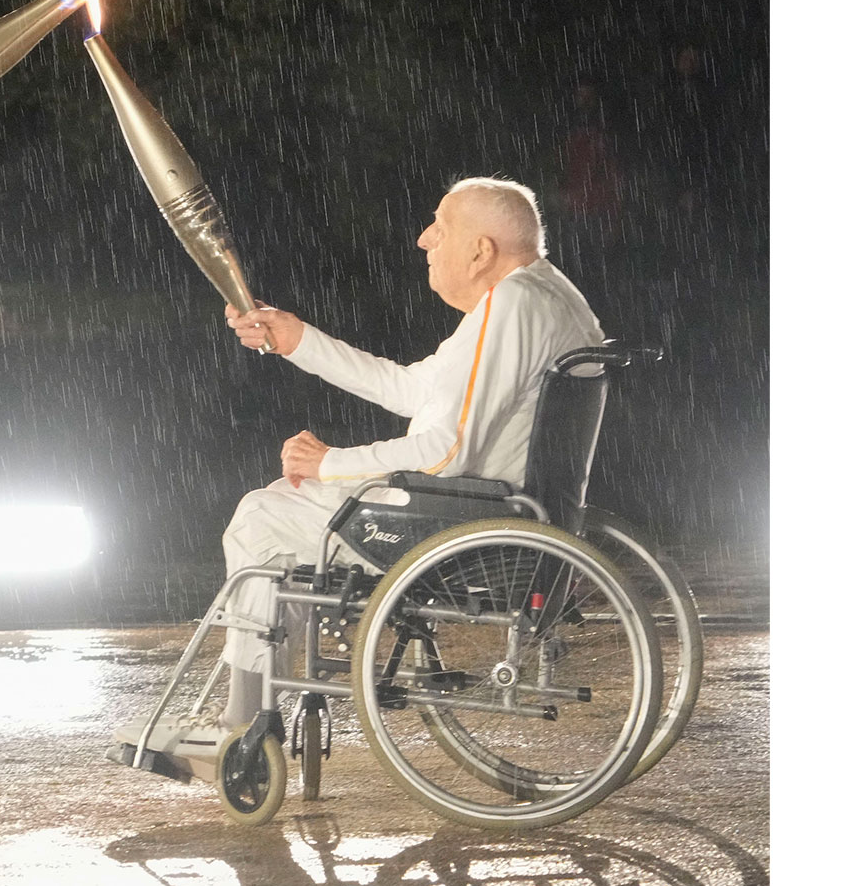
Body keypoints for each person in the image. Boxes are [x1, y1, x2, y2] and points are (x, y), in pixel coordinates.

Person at [116, 177, 603, 779]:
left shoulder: (512, 303)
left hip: (457, 518)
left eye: (440, 227)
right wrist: (296, 340)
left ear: (480, 251)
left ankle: (243, 734)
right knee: (276, 509)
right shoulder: (543, 295)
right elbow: (412, 389)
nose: (425, 238)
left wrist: (332, 462)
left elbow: (446, 446)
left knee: (261, 519)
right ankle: (248, 720)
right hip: (488, 508)